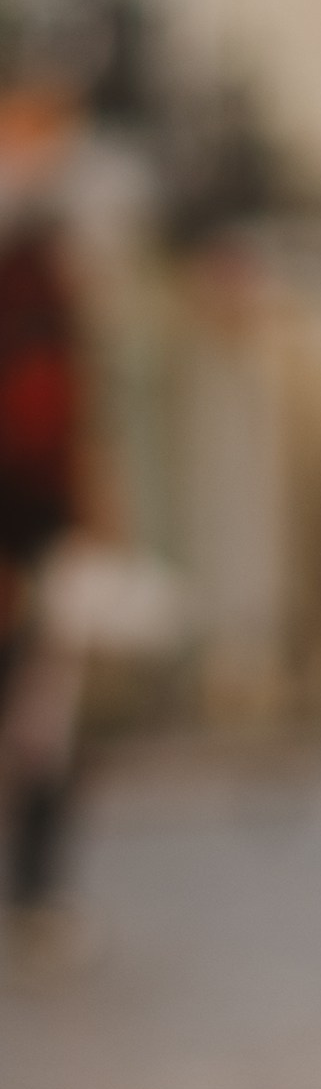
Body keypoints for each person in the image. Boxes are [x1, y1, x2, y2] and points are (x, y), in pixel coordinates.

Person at [0, 94, 90, 972]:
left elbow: (68, 415)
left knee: (45, 724)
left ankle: (37, 897)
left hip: (42, 531)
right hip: (15, 525)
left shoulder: (49, 265)